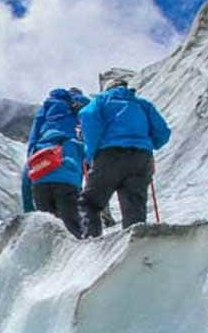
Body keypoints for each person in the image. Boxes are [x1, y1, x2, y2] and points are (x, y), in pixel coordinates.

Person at [78, 69, 171, 236]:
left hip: (110, 155)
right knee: (134, 210)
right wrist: (151, 143)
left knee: (89, 203)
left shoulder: (100, 101)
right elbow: (163, 132)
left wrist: (89, 152)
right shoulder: (143, 104)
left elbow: (88, 119)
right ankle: (135, 250)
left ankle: (90, 247)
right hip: (142, 158)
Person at [25, 87, 89, 237]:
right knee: (71, 227)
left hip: (40, 175)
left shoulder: (46, 109)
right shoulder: (81, 110)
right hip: (68, 179)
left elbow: (33, 138)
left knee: (48, 230)